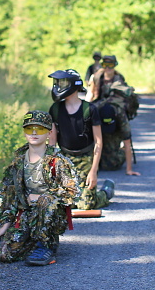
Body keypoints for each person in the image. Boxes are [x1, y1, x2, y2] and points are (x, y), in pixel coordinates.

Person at [0, 110, 80, 266]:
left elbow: (72, 192)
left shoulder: (57, 161)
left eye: (40, 129)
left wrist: (45, 197)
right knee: (3, 252)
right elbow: (10, 195)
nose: (35, 133)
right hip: (26, 215)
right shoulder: (18, 162)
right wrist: (4, 227)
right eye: (29, 128)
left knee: (45, 201)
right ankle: (32, 240)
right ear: (24, 132)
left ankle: (46, 244)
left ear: (49, 133)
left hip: (50, 215)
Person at [48, 69, 113, 210]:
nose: (58, 86)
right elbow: (52, 141)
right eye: (58, 82)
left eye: (63, 82)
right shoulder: (55, 109)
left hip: (86, 159)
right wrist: (51, 167)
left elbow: (98, 142)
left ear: (74, 85)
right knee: (65, 204)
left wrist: (93, 171)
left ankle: (106, 192)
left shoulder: (89, 109)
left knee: (86, 205)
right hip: (65, 159)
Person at [96, 81, 140, 177]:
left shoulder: (99, 106)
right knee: (117, 156)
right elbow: (127, 143)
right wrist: (129, 170)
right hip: (109, 160)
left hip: (93, 159)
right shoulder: (119, 111)